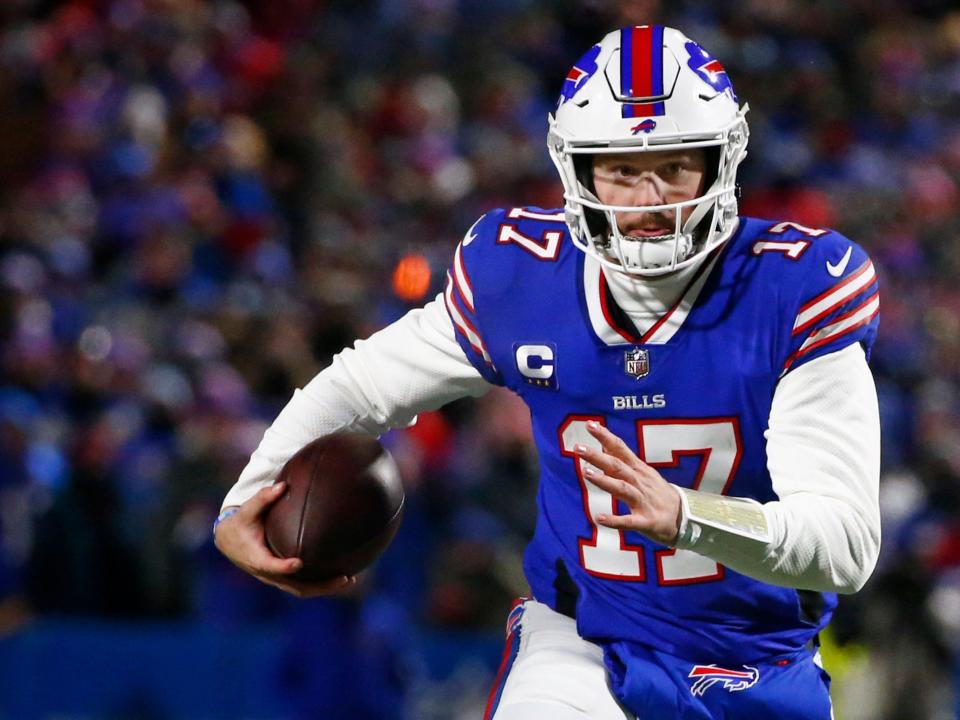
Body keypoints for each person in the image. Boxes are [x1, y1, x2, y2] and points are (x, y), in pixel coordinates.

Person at [214, 25, 881, 720]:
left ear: (722, 166)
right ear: (578, 171)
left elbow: (844, 544)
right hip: (585, 641)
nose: (650, 199)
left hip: (758, 661)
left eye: (677, 166)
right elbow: (363, 388)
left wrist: (687, 517)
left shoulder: (796, 287)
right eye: (622, 170)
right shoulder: (521, 278)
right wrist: (250, 495)